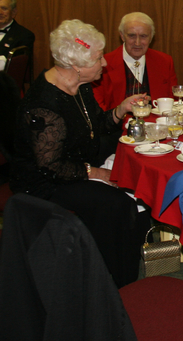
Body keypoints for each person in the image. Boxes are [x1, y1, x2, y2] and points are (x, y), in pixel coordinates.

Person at [10, 19, 150, 288]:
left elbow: (95, 126)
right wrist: (98, 173)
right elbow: (50, 166)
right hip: (44, 183)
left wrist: (120, 109)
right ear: (76, 65)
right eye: (98, 58)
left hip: (76, 163)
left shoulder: (80, 85)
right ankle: (111, 282)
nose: (105, 63)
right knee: (116, 203)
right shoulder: (43, 105)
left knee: (135, 185)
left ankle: (126, 270)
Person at [93, 12, 178, 111]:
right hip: (117, 125)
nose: (137, 43)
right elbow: (98, 110)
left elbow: (173, 102)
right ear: (122, 36)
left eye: (143, 36)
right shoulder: (102, 65)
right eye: (132, 36)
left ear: (151, 37)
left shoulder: (164, 61)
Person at [0, 0, 36, 67]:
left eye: (4, 8)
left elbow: (17, 68)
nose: (0, 12)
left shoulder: (24, 36)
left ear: (14, 12)